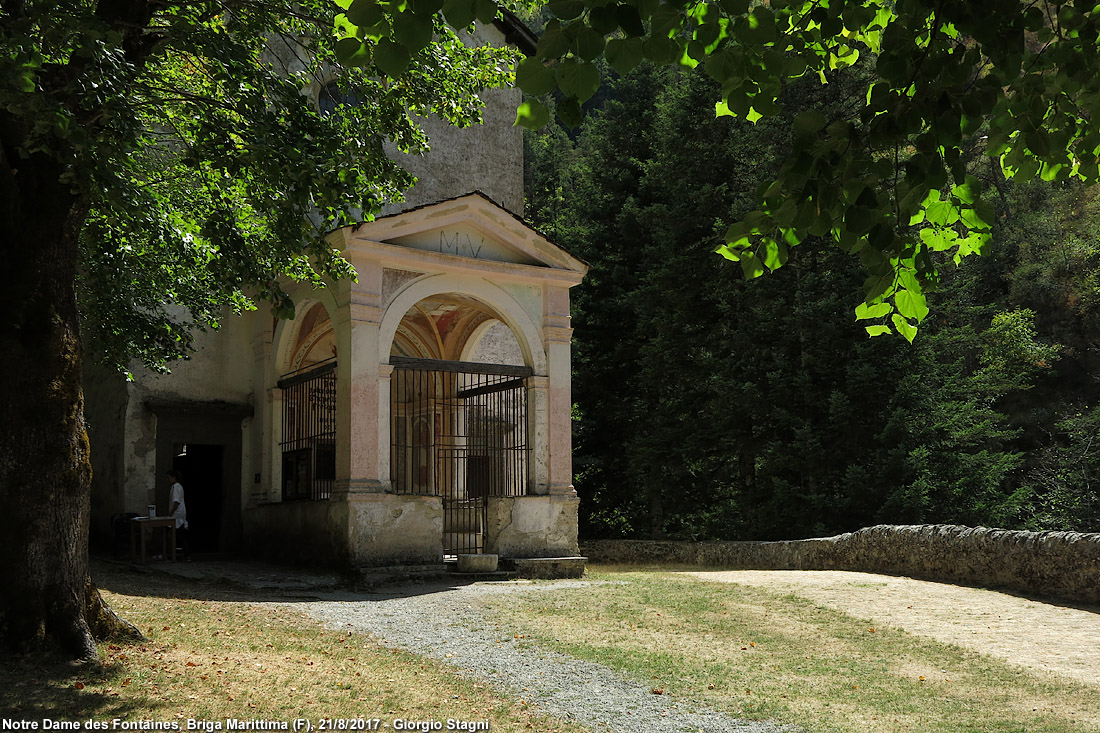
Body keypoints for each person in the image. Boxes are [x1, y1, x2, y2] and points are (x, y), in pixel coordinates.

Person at [166, 469, 191, 561]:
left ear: (174, 477)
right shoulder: (177, 486)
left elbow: (176, 502)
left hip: (177, 514)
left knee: (177, 534)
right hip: (179, 514)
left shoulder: (176, 487)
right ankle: (184, 554)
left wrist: (171, 513)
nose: (167, 480)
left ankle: (172, 553)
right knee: (180, 535)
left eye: (168, 478)